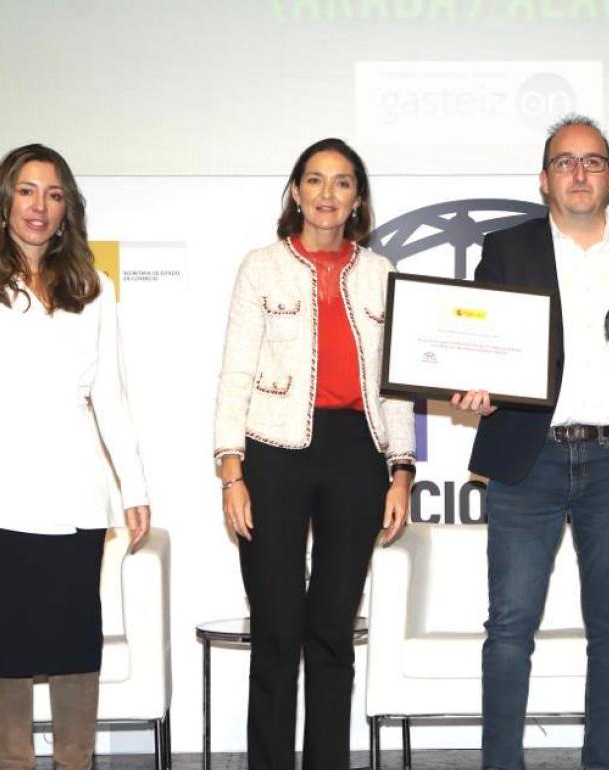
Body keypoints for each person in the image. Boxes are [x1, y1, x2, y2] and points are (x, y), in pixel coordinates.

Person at [453, 115, 609, 770]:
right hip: (530, 460)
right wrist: (475, 384)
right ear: (544, 180)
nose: (578, 173)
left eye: (592, 161)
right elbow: (479, 342)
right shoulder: (506, 248)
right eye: (564, 162)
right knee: (509, 632)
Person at [0, 143, 151, 770]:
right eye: (27, 191)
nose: (39, 206)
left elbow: (113, 395)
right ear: (5, 198)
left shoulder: (93, 286)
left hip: (76, 498)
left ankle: (76, 762)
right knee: (7, 654)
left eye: (54, 195)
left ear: (68, 209)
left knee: (77, 653)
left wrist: (133, 486)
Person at [213, 137, 415, 770]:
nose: (328, 194)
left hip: (357, 454)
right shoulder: (260, 267)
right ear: (296, 191)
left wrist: (402, 471)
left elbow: (397, 381)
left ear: (358, 197)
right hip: (273, 453)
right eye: (316, 180)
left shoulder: (382, 273)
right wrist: (230, 469)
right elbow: (234, 373)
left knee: (332, 633)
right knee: (275, 631)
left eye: (343, 182)